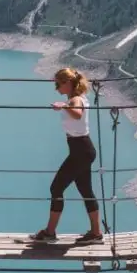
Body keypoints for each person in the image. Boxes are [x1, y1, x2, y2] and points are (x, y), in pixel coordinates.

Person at [29, 67, 104, 244]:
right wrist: (65, 104)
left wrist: (63, 105)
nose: (57, 88)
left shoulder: (76, 99)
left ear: (68, 83)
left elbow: (77, 114)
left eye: (59, 83)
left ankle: (50, 232)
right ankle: (95, 233)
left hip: (80, 151)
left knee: (56, 188)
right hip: (83, 150)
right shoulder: (76, 98)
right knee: (86, 191)